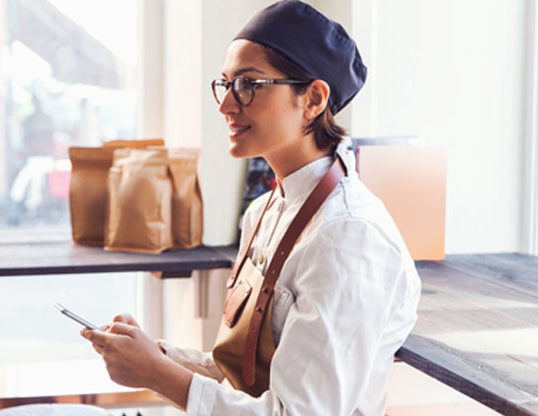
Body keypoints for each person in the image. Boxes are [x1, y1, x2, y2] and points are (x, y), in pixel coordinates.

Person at [80, 1, 421, 415]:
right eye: (225, 84)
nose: (226, 104)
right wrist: (157, 355)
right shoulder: (263, 211)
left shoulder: (348, 237)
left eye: (249, 84)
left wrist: (155, 373)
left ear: (313, 99)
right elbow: (242, 377)